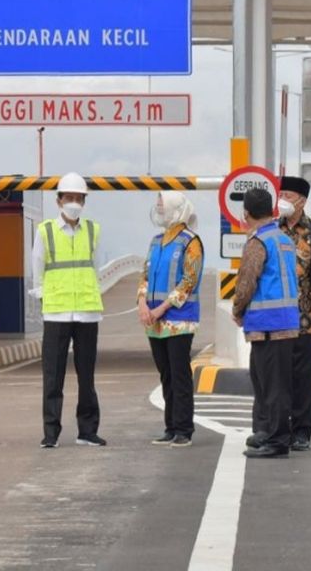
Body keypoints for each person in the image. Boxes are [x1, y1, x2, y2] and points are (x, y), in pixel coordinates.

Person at [32, 172, 106, 448]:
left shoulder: (93, 230)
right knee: (53, 377)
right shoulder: (45, 231)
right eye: (69, 197)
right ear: (59, 200)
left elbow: (94, 268)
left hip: (87, 312)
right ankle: (50, 433)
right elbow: (37, 270)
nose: (74, 202)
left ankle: (87, 430)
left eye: (79, 198)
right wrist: (44, 299)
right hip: (57, 313)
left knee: (87, 376)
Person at [231, 187, 300, 459]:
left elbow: (247, 281)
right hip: (282, 323)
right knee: (268, 384)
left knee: (272, 387)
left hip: (268, 325)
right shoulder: (284, 239)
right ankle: (265, 432)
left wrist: (238, 309)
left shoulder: (258, 242)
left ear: (246, 213)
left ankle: (277, 440)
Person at [137, 191, 203, 447]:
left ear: (177, 209)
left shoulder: (191, 242)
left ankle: (184, 428)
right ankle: (170, 425)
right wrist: (142, 304)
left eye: (162, 205)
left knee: (179, 375)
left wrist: (161, 308)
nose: (159, 209)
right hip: (154, 321)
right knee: (166, 374)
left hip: (178, 319)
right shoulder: (155, 242)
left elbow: (188, 281)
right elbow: (144, 275)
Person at [276, 175, 311, 452]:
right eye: (280, 194)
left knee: (302, 378)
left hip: (307, 320)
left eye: (287, 195)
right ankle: (278, 430)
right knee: (278, 378)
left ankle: (301, 432)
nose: (282, 200)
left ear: (301, 201)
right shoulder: (271, 230)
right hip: (275, 319)